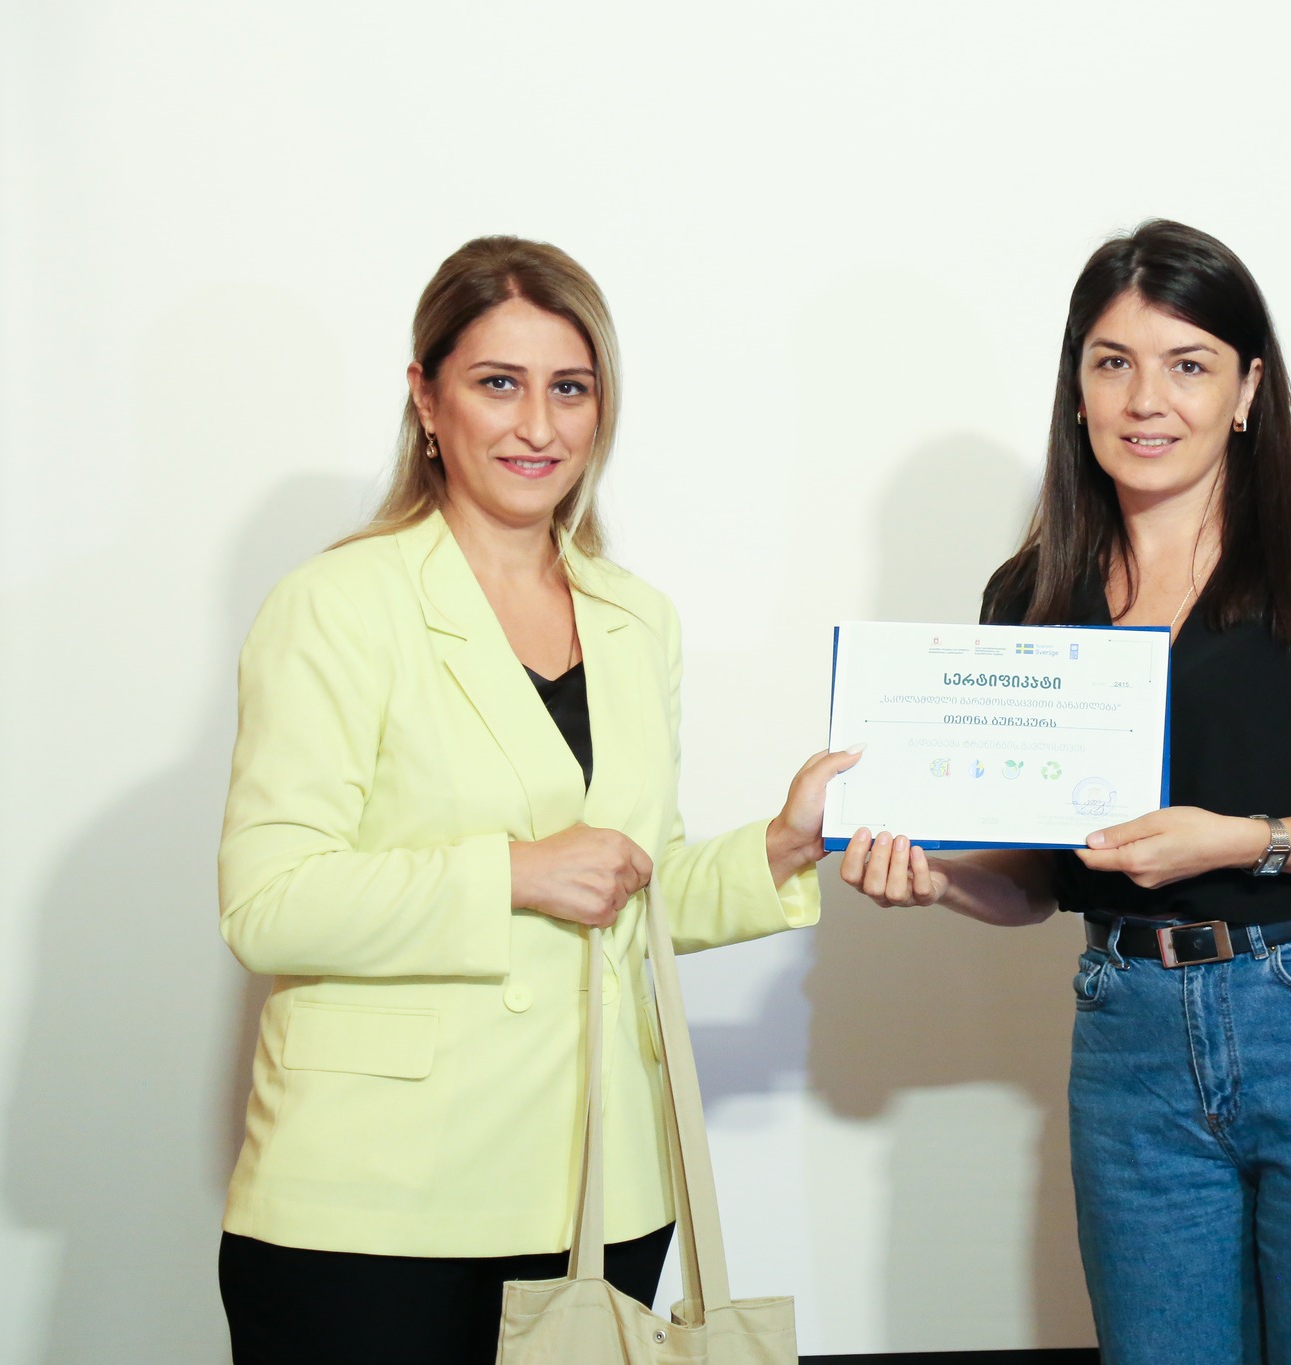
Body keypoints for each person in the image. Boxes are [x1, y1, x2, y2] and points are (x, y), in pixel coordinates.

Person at [214, 235, 854, 1365]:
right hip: (375, 1204)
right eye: (497, 383)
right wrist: (513, 872)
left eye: (570, 389)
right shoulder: (337, 603)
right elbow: (269, 903)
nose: (538, 426)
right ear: (426, 399)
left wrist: (781, 843)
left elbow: (630, 880)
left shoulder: (634, 618)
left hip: (597, 1196)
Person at [840, 219, 1291, 1364]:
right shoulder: (1031, 597)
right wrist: (937, 879)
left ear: (1246, 390)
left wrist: (1236, 840)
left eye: (1187, 365)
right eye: (1112, 362)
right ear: (1076, 386)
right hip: (1127, 1038)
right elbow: (1036, 882)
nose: (1145, 400)